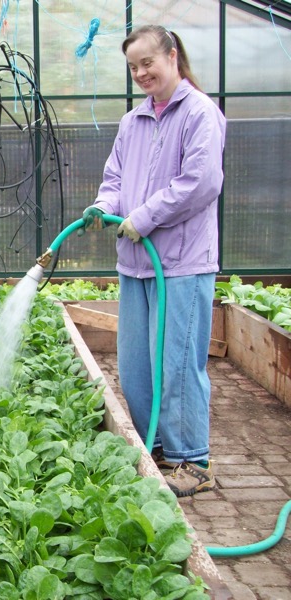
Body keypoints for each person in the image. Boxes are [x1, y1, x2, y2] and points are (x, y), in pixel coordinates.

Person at [80, 25, 226, 497]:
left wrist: (143, 216)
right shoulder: (133, 121)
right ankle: (157, 447)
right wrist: (105, 204)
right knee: (138, 364)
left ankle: (193, 461)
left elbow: (199, 182)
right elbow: (115, 175)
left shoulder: (201, 113)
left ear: (172, 55)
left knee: (178, 362)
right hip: (136, 261)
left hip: (181, 261)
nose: (141, 73)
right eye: (133, 67)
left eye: (148, 62)